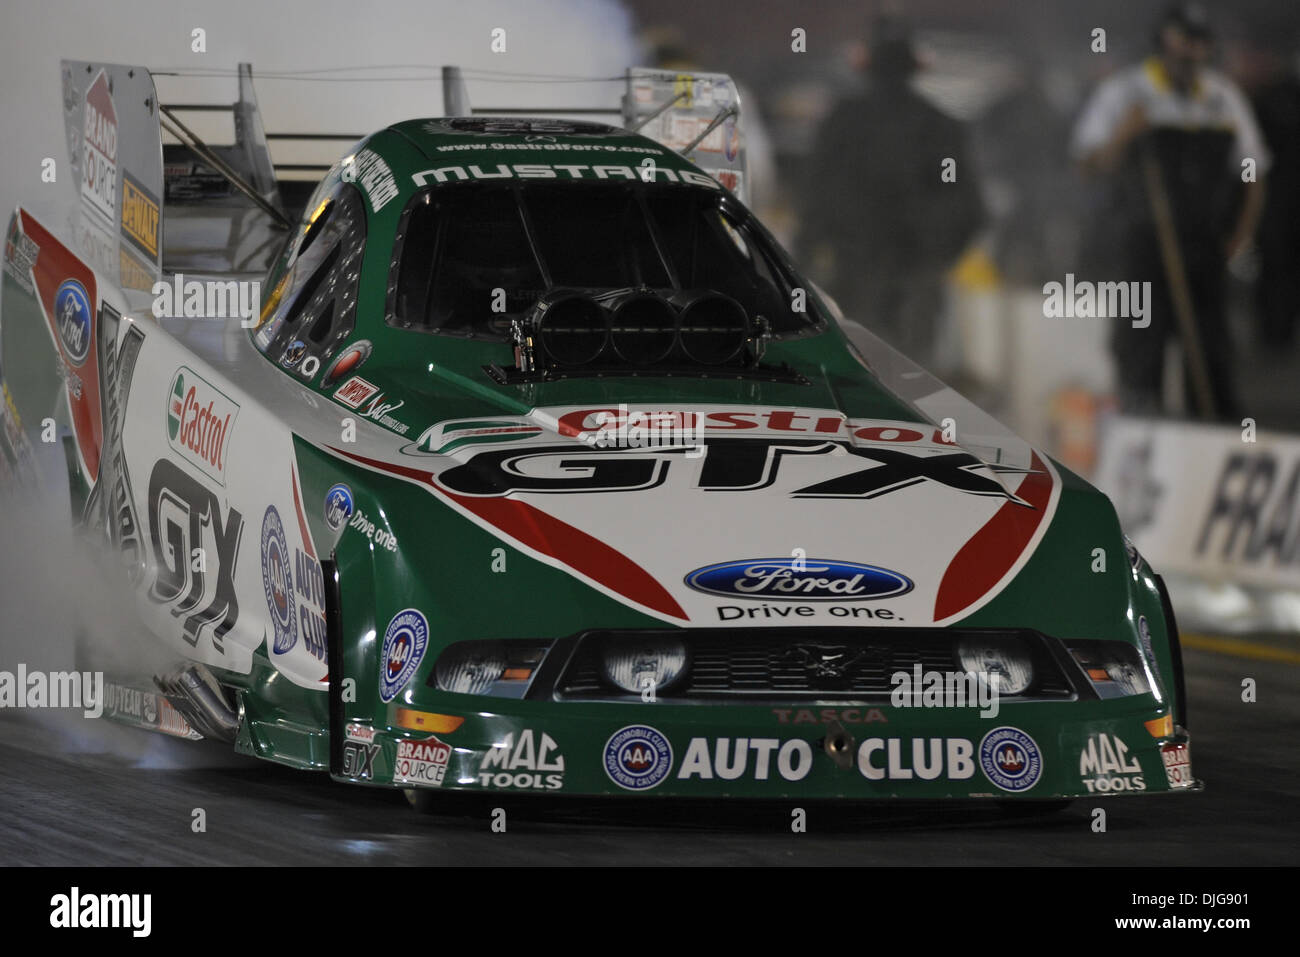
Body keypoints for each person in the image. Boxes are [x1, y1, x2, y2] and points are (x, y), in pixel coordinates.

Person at [1071, 2, 1269, 420]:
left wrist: (1241, 235)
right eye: (1183, 41)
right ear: (1163, 40)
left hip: (1206, 248)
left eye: (1200, 43)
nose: (1191, 52)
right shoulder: (1124, 92)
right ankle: (1140, 437)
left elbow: (1253, 170)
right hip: (1142, 248)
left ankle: (1214, 434)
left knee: (1212, 351)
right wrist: (1123, 135)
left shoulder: (1223, 98)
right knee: (1141, 351)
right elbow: (1086, 166)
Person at [796, 15, 982, 370]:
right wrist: (935, 261)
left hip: (853, 276)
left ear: (867, 67)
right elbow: (971, 210)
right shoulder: (941, 126)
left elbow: (814, 198)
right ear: (916, 68)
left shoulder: (842, 122)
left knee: (855, 376)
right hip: (916, 282)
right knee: (912, 382)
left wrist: (807, 259)